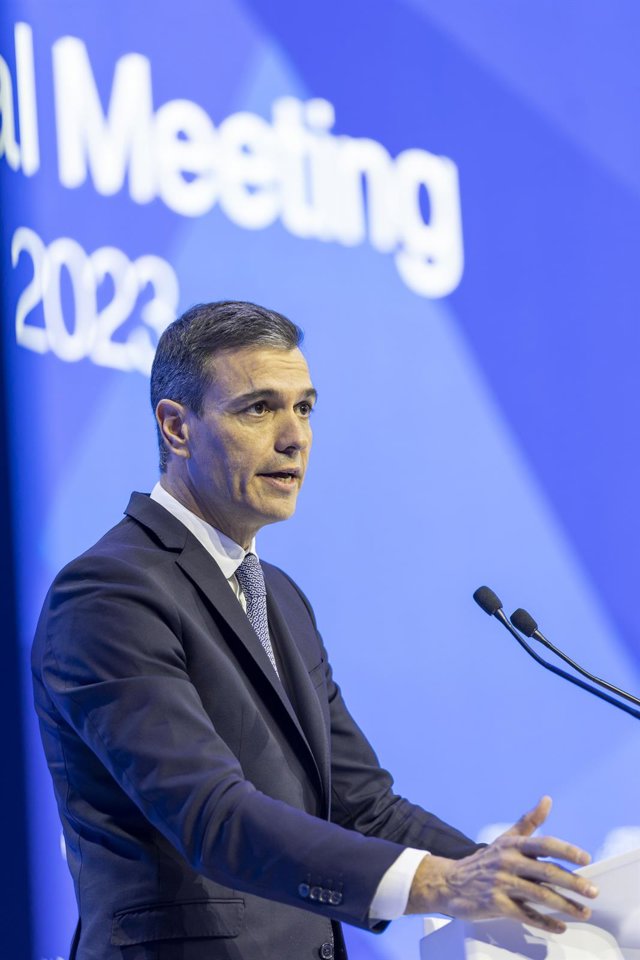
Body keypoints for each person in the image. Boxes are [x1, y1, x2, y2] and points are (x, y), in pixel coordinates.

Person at [33, 301, 598, 960]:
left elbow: (362, 805)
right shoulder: (109, 593)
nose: (294, 436)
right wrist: (442, 883)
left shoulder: (282, 601)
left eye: (304, 408)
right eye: (258, 408)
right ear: (176, 427)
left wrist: (514, 881)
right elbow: (212, 819)